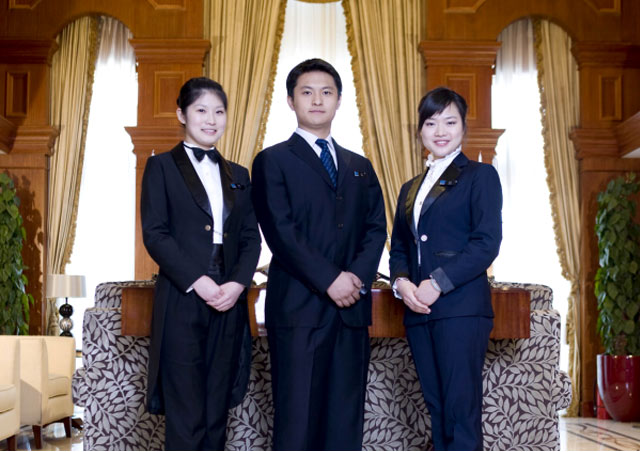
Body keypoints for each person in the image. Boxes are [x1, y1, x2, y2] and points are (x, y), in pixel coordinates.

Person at [251, 58, 386, 450]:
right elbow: (281, 232)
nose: (317, 100)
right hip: (298, 310)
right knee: (297, 419)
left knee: (345, 420)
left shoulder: (360, 166)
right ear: (290, 100)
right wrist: (330, 280)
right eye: (307, 92)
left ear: (339, 100)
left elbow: (376, 228)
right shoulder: (272, 160)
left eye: (326, 92)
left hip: (351, 311)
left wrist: (355, 279)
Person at [140, 77, 261, 450]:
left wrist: (237, 284)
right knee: (185, 407)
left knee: (217, 406)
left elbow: (250, 238)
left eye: (219, 111)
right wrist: (198, 280)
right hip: (183, 295)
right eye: (202, 110)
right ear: (182, 114)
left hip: (229, 296)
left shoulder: (239, 175)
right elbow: (156, 234)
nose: (212, 120)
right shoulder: (160, 167)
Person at [389, 87, 502, 451]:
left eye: (450, 122)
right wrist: (401, 283)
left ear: (463, 128)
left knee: (460, 409)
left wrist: (437, 283)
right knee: (436, 409)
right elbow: (400, 246)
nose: (440, 131)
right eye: (431, 123)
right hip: (418, 311)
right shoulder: (410, 188)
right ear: (420, 130)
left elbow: (486, 243)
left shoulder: (480, 176)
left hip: (460, 309)